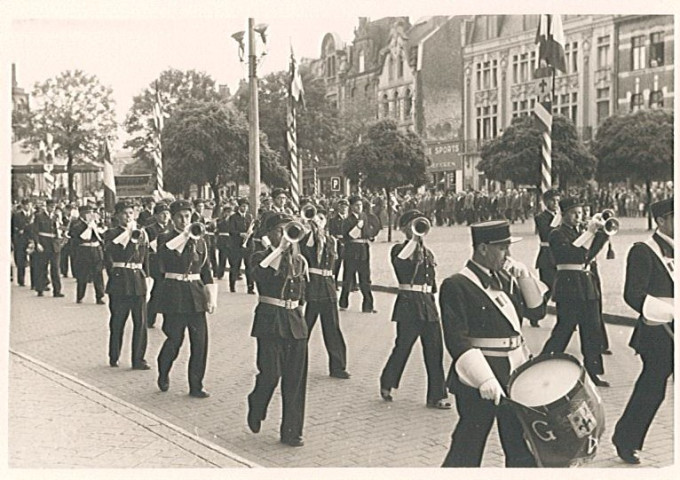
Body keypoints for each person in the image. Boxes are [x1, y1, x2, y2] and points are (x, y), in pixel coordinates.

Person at [439, 220, 545, 467]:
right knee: (469, 444)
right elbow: (457, 339)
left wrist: (525, 277)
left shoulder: (506, 279)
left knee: (520, 444)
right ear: (482, 248)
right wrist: (484, 378)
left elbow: (537, 312)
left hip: (514, 370)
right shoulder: (456, 284)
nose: (507, 254)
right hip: (480, 375)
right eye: (501, 248)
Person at [612, 198, 674, 465]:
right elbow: (633, 294)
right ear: (661, 221)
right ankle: (626, 440)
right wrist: (668, 312)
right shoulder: (644, 250)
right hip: (658, 333)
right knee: (652, 389)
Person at [247, 213, 309, 447]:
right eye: (280, 231)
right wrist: (279, 250)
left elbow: (301, 292)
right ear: (270, 234)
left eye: (289, 230)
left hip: (294, 321)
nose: (285, 235)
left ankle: (291, 431)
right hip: (270, 322)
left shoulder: (299, 260)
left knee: (295, 380)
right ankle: (257, 402)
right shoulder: (260, 256)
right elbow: (259, 275)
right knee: (270, 374)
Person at [380, 210, 449, 409]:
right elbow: (401, 261)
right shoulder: (398, 249)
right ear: (404, 229)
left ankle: (436, 396)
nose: (417, 230)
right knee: (403, 348)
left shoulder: (427, 252)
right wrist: (414, 239)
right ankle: (387, 382)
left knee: (435, 350)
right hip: (409, 304)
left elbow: (431, 282)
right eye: (412, 225)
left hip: (427, 304)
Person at [540, 197, 610, 387]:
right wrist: (589, 233)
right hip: (569, 286)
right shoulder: (556, 234)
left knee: (592, 330)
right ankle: (544, 364)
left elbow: (588, 255)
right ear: (563, 215)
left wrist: (602, 235)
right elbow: (573, 254)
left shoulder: (581, 232)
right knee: (564, 329)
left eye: (580, 213)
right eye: (573, 213)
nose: (578, 217)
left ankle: (593, 371)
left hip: (586, 285)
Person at [156, 200, 215, 398]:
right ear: (172, 219)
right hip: (175, 294)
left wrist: (211, 297)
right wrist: (184, 236)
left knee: (200, 342)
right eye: (180, 216)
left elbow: (206, 270)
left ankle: (196, 385)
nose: (184, 220)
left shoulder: (200, 240)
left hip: (196, 295)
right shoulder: (165, 238)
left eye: (187, 216)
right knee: (174, 340)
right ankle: (163, 371)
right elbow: (165, 256)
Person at [299, 206, 350, 379]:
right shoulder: (307, 239)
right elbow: (307, 248)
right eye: (315, 218)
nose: (317, 221)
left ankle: (338, 366)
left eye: (321, 218)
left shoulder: (332, 241)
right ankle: (294, 363)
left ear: (326, 220)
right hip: (313, 287)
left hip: (327, 287)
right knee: (304, 328)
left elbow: (335, 263)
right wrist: (312, 229)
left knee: (332, 328)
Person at [103, 200, 150, 369]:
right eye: (124, 213)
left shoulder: (142, 233)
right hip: (120, 280)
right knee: (118, 321)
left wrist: (148, 277)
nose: (128, 216)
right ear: (117, 216)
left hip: (137, 280)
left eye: (131, 213)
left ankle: (138, 359)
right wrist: (128, 235)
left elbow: (145, 257)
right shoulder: (111, 233)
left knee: (141, 322)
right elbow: (112, 251)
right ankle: (114, 355)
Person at [338, 195, 376, 313]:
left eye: (360, 205)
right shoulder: (347, 220)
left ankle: (368, 306)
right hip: (351, 251)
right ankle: (343, 303)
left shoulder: (364, 216)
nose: (359, 207)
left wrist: (370, 235)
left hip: (364, 250)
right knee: (348, 278)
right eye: (356, 205)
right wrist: (358, 226)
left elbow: (370, 229)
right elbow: (347, 236)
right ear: (351, 207)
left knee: (365, 278)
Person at [533, 188, 561, 325]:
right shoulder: (541, 217)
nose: (556, 203)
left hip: (560, 257)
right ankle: (535, 314)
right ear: (546, 202)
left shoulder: (561, 217)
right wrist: (559, 218)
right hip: (547, 257)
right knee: (547, 288)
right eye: (553, 201)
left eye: (558, 200)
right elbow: (547, 233)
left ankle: (564, 319)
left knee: (562, 290)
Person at [144, 202, 173, 327]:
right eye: (162, 214)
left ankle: (168, 320)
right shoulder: (150, 229)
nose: (165, 217)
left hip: (170, 264)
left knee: (169, 293)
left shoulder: (172, 228)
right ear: (156, 216)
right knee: (155, 292)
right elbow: (149, 246)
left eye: (167, 214)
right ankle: (150, 319)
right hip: (156, 263)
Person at [69, 204, 105, 304]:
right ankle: (80, 296)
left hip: (95, 249)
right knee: (82, 274)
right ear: (82, 214)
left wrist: (98, 227)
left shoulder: (95, 223)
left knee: (98, 274)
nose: (91, 214)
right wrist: (88, 227)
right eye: (88, 213)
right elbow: (80, 236)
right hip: (83, 250)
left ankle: (99, 296)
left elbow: (101, 235)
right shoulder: (77, 223)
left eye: (92, 212)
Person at [32, 199, 64, 298]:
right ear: (47, 206)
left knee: (55, 268)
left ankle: (57, 291)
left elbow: (58, 230)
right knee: (42, 267)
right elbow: (35, 231)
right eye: (51, 206)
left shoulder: (56, 217)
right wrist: (37, 243)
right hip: (44, 244)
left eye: (54, 207)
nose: (52, 209)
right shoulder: (39, 216)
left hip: (54, 245)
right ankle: (40, 289)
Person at [227, 198, 255, 294]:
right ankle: (232, 286)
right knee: (235, 266)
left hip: (248, 246)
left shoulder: (249, 217)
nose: (245, 208)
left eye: (246, 206)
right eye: (243, 206)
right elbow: (231, 230)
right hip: (236, 245)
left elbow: (253, 230)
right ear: (239, 207)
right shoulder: (233, 217)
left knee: (249, 267)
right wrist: (240, 234)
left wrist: (251, 233)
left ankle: (250, 288)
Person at [11, 198, 34, 287]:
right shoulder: (16, 215)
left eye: (28, 204)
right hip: (20, 240)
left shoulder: (33, 215)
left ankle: (34, 282)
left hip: (31, 239)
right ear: (22, 205)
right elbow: (13, 229)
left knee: (34, 261)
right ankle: (21, 280)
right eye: (25, 205)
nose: (27, 206)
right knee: (20, 260)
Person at [214, 203, 233, 280]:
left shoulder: (232, 220)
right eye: (226, 212)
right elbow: (218, 228)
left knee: (232, 259)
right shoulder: (220, 220)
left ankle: (235, 273)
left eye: (229, 212)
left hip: (230, 241)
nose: (228, 213)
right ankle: (220, 273)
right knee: (222, 258)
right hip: (222, 241)